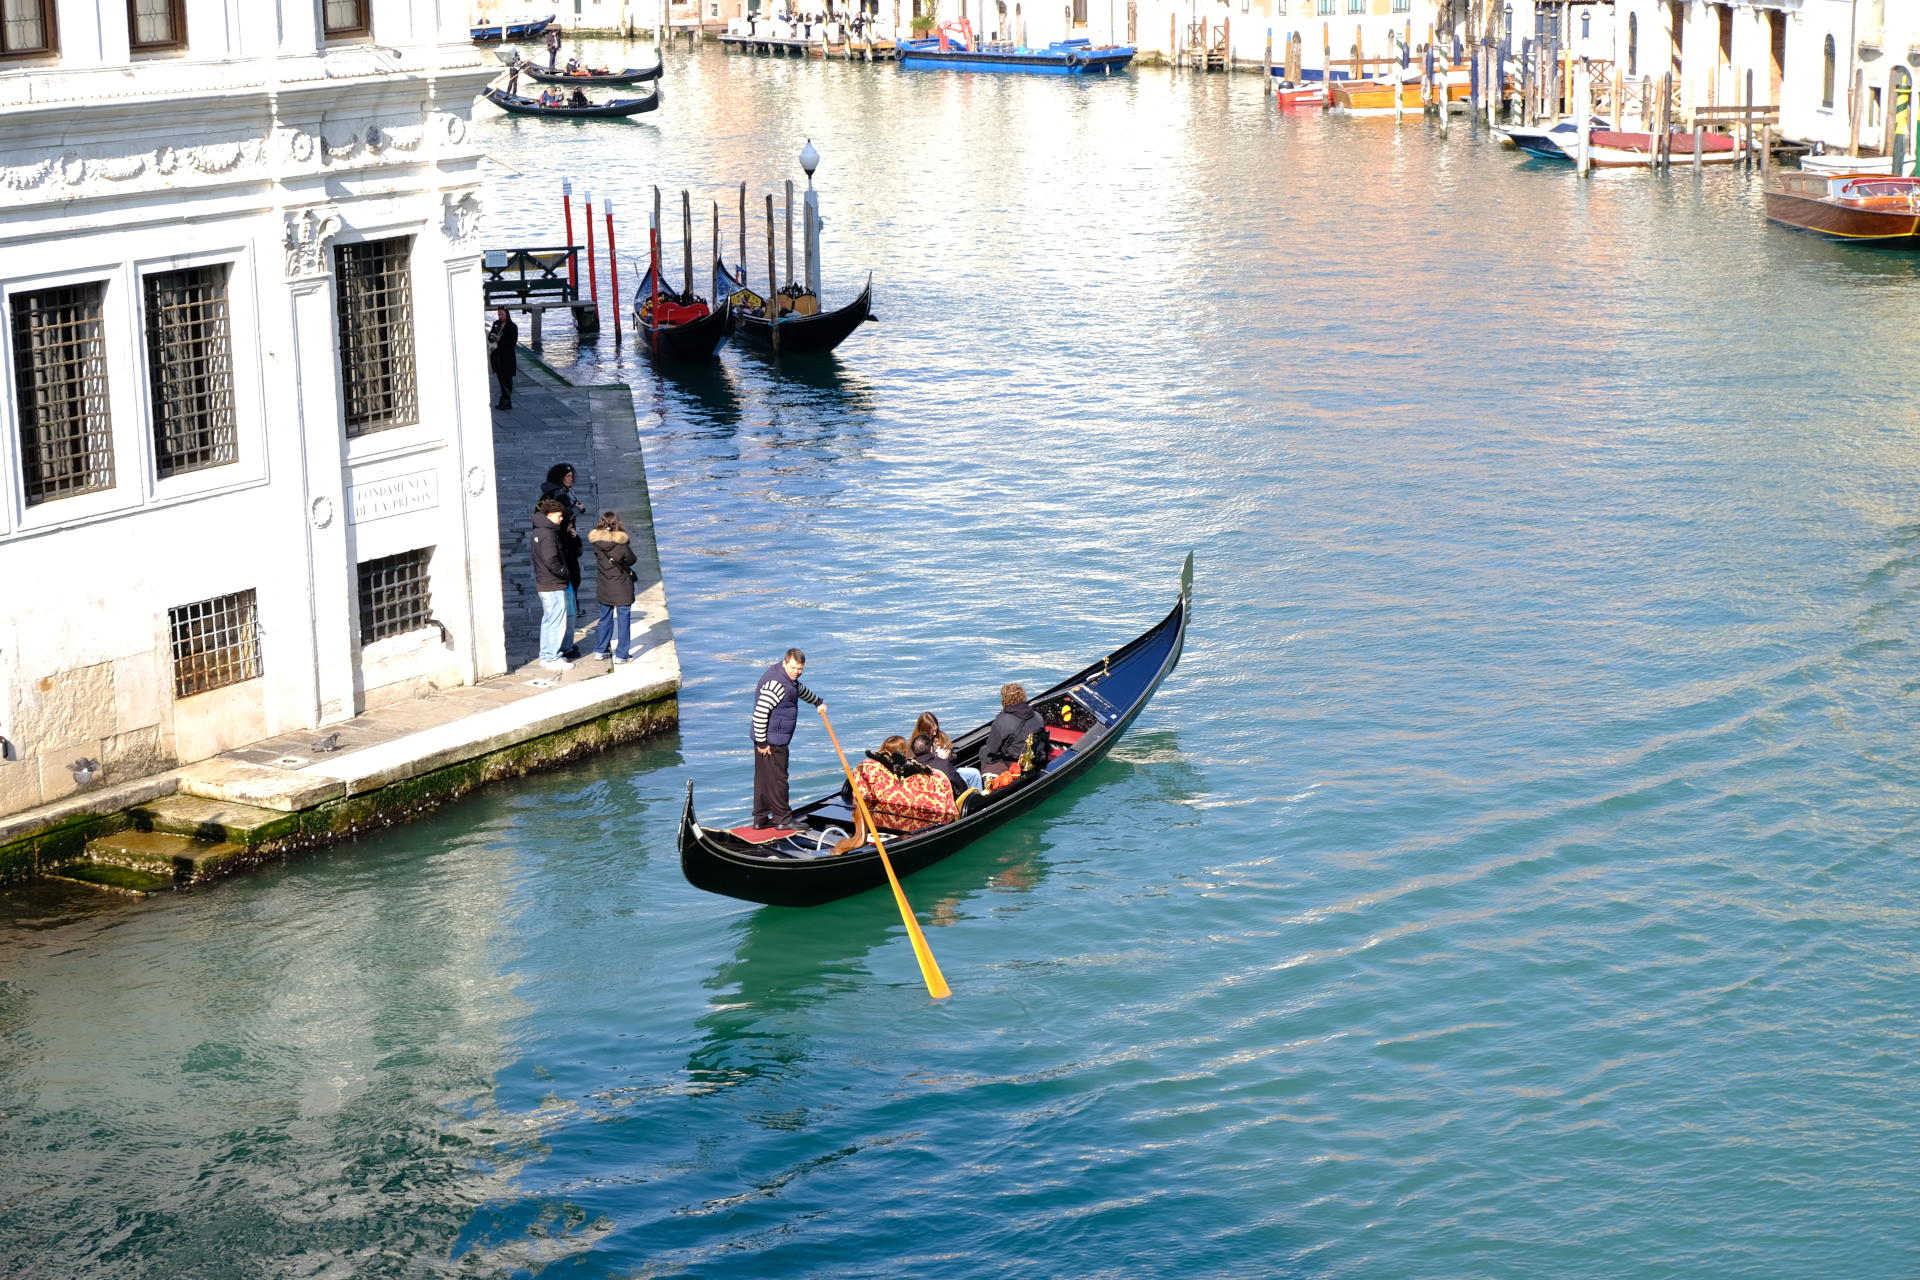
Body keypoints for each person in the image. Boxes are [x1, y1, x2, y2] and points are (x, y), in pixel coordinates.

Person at [750, 647, 825, 831]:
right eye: (793, 668)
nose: (796, 672)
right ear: (785, 662)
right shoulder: (775, 684)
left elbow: (798, 690)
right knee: (778, 780)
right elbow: (759, 714)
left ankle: (760, 819)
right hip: (771, 741)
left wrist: (817, 702)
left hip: (769, 739)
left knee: (764, 779)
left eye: (800, 669)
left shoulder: (787, 678)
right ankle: (783, 819)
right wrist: (762, 742)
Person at [539, 463, 586, 640]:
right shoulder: (561, 495)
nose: (571, 479)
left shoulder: (552, 492)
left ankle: (573, 606)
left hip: (563, 543)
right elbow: (566, 515)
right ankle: (572, 609)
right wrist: (578, 510)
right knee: (572, 577)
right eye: (567, 476)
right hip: (565, 545)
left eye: (572, 476)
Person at [587, 511, 639, 663]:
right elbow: (631, 560)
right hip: (622, 586)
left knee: (604, 618)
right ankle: (622, 655)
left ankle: (600, 650)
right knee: (623, 620)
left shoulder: (596, 544)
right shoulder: (621, 544)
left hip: (604, 585)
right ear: (617, 523)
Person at [531, 499, 572, 671]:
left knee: (548, 620)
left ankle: (547, 654)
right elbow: (551, 560)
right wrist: (564, 573)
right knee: (556, 621)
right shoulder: (548, 534)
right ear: (549, 515)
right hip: (553, 584)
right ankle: (550, 657)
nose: (561, 519)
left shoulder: (538, 531)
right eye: (559, 515)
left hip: (544, 583)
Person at [979, 682, 1045, 776]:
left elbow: (992, 748)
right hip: (1034, 757)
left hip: (1015, 760)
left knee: (984, 751)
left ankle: (990, 780)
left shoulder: (1002, 720)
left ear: (1004, 699)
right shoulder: (1037, 716)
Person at [487, 307, 518, 409]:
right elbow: (490, 336)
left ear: (507, 314)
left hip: (508, 357)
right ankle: (505, 401)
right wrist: (492, 337)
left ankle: (506, 401)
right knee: (501, 379)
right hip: (497, 356)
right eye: (499, 314)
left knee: (507, 380)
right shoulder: (496, 323)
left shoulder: (512, 327)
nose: (500, 317)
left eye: (502, 315)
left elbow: (513, 342)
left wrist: (501, 339)